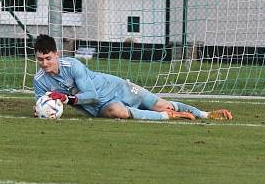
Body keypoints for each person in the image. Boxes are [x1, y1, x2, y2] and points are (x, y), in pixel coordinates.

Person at [33, 34, 234, 121]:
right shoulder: (39, 81)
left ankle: (205, 114)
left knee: (162, 104)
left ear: (57, 54)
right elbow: (42, 103)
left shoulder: (73, 65)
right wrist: (42, 110)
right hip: (100, 107)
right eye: (40, 59)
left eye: (48, 58)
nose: (44, 63)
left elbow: (92, 94)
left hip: (116, 87)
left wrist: (67, 99)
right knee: (116, 111)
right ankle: (166, 118)